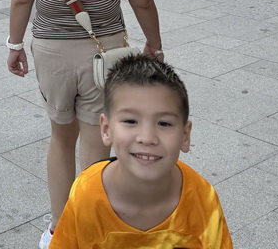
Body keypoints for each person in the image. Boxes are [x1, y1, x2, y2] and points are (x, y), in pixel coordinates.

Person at [5, 0, 164, 248]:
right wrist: (154, 44)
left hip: (52, 50)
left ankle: (60, 230)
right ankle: (92, 228)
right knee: (96, 144)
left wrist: (14, 44)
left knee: (61, 138)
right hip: (106, 54)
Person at [50, 55, 232, 248]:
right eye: (130, 121)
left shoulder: (203, 200)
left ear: (185, 136)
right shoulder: (85, 196)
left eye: (164, 123)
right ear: (106, 130)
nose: (147, 137)